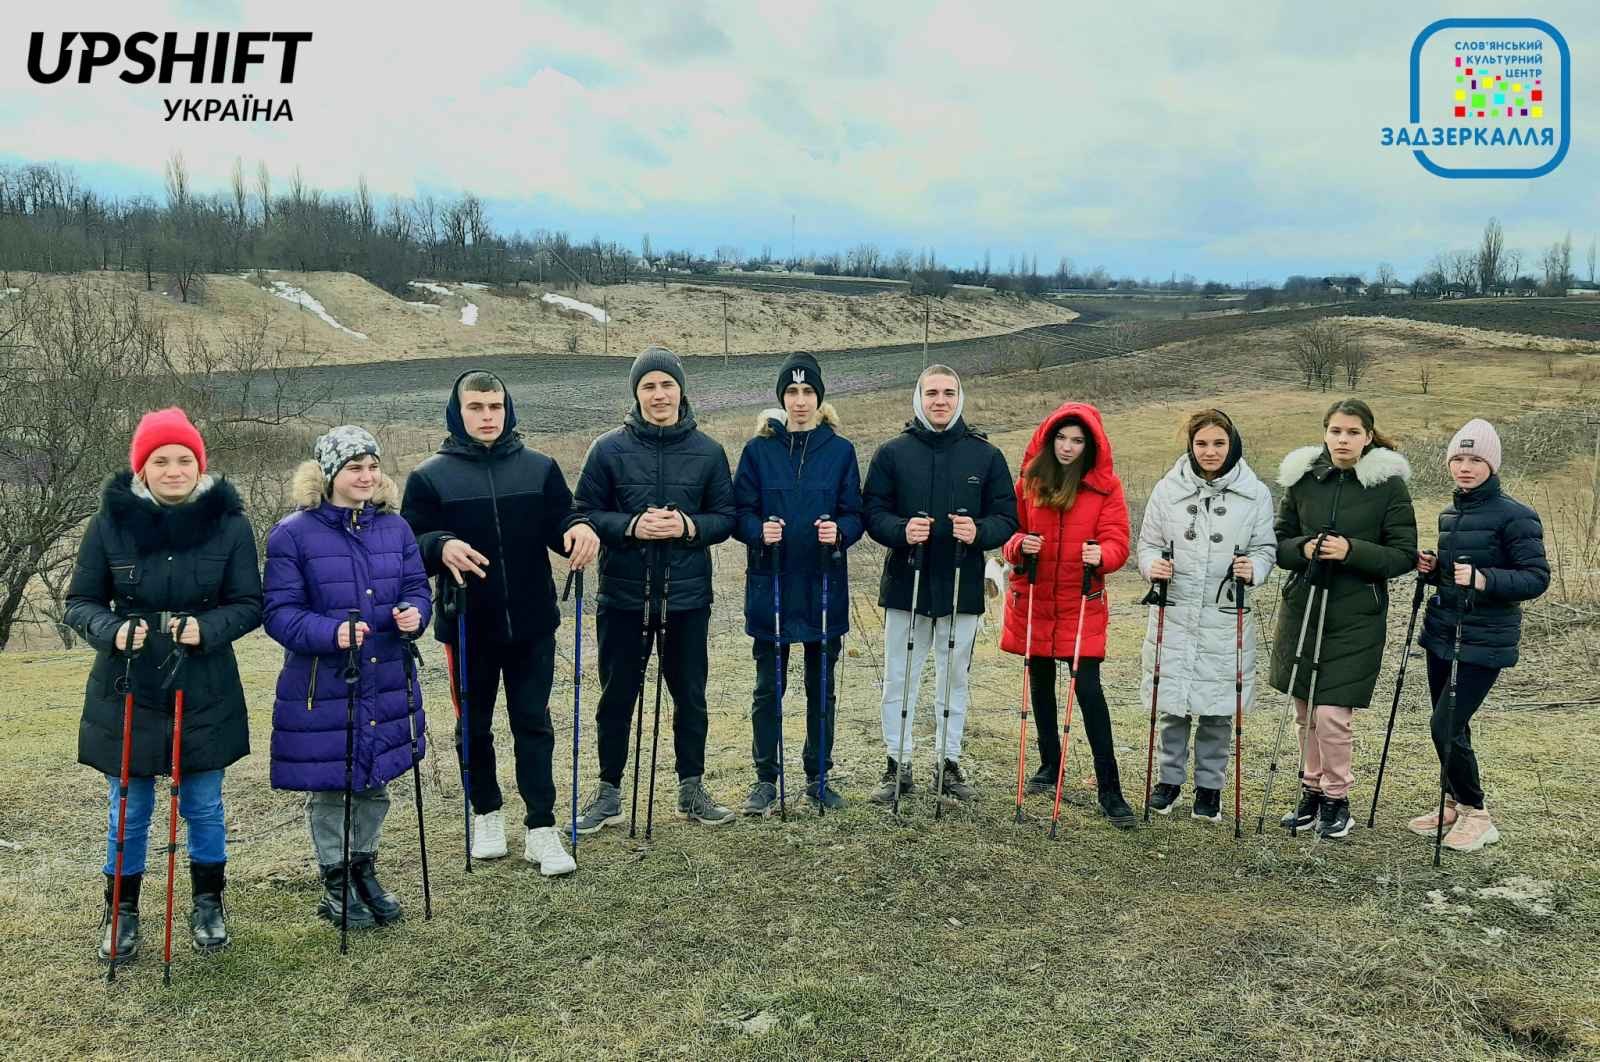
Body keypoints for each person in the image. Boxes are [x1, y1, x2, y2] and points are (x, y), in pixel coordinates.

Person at [65, 407, 262, 964]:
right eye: (161, 460)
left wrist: (209, 627)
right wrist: (111, 630)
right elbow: (79, 603)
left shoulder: (230, 524)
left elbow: (250, 603)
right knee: (128, 806)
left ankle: (208, 903)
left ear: (199, 466)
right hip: (128, 684)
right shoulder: (108, 523)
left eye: (184, 460)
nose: (173, 470)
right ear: (142, 468)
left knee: (203, 803)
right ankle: (121, 912)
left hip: (205, 685)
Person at [401, 371, 598, 875]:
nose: (487, 416)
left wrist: (578, 530)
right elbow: (410, 544)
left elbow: (563, 519)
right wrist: (439, 545)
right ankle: (486, 813)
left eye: (495, 406)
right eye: (476, 407)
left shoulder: (539, 468)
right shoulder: (430, 476)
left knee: (534, 723)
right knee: (474, 727)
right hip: (468, 626)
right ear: (457, 412)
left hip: (533, 622)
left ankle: (541, 829)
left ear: (507, 409)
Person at [264, 427, 433, 928]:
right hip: (325, 684)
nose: (366, 476)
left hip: (385, 677)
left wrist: (413, 614)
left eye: (372, 466)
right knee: (332, 787)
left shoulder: (395, 529)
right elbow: (278, 612)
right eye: (354, 467)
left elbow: (416, 588)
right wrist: (331, 632)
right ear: (329, 474)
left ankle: (364, 869)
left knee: (376, 780)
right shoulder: (292, 533)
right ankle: (335, 879)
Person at [573, 347, 738, 830]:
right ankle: (608, 793)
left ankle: (691, 789)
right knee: (617, 695)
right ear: (636, 393)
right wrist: (631, 526)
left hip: (687, 598)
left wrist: (687, 525)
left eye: (667, 384)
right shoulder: (607, 449)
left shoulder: (708, 451)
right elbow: (583, 511)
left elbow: (725, 518)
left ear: (681, 390)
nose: (659, 394)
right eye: (649, 386)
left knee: (690, 695)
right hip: (624, 596)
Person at [863, 364, 1018, 806]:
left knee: (954, 679)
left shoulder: (984, 455)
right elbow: (872, 511)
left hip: (960, 583)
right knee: (900, 677)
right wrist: (899, 529)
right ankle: (898, 763)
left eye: (949, 392)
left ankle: (948, 763)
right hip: (906, 582)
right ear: (918, 397)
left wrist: (980, 532)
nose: (940, 400)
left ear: (960, 398)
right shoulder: (893, 453)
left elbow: (1006, 517)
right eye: (932, 392)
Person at [1271, 398, 1418, 840]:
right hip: (1305, 609)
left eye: (1353, 432)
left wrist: (1351, 551)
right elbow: (1278, 543)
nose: (1343, 440)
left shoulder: (1388, 485)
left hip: (1356, 614)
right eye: (1336, 431)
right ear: (1325, 432)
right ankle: (1311, 791)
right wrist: (1304, 549)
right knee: (1305, 712)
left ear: (1368, 437)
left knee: (1333, 714)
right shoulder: (1301, 479)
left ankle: (1338, 798)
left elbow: (1404, 555)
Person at [732, 354, 864, 813]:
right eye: (792, 392)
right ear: (781, 398)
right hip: (772, 585)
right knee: (769, 687)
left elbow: (855, 513)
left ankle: (818, 775)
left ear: (820, 398)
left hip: (822, 585)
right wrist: (756, 531)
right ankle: (766, 778)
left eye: (808, 393)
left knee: (820, 686)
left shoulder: (840, 450)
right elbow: (739, 513)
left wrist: (841, 532)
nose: (800, 400)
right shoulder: (758, 451)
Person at [1411, 419, 1548, 852]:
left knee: (1444, 724)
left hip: (1486, 639)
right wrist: (1436, 574)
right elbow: (1456, 579)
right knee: (1452, 725)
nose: (1465, 468)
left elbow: (1535, 578)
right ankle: (1451, 802)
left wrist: (1484, 578)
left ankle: (1477, 813)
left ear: (1491, 464)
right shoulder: (1451, 513)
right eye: (1458, 459)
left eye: (1475, 460)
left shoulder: (1517, 515)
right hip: (1443, 634)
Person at [999, 401, 1135, 828]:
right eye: (1061, 438)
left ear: (1090, 445)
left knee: (1089, 691)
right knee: (1040, 683)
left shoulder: (1105, 487)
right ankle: (1048, 763)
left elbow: (1119, 542)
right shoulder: (1028, 481)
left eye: (1077, 440)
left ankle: (1109, 787)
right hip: (1037, 596)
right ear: (1048, 438)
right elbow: (1007, 534)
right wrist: (1020, 545)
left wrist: (1103, 555)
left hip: (1080, 600)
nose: (1068, 447)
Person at [1135, 409, 1276, 822]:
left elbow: (1266, 548)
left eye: (1218, 443)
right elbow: (1148, 544)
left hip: (1224, 611)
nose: (1210, 452)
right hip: (1176, 610)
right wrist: (1151, 566)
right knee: (1172, 702)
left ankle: (1209, 787)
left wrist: (1257, 569)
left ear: (1232, 445)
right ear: (1190, 446)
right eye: (1202, 444)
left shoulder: (1255, 494)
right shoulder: (1168, 490)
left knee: (1217, 706)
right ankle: (1168, 780)